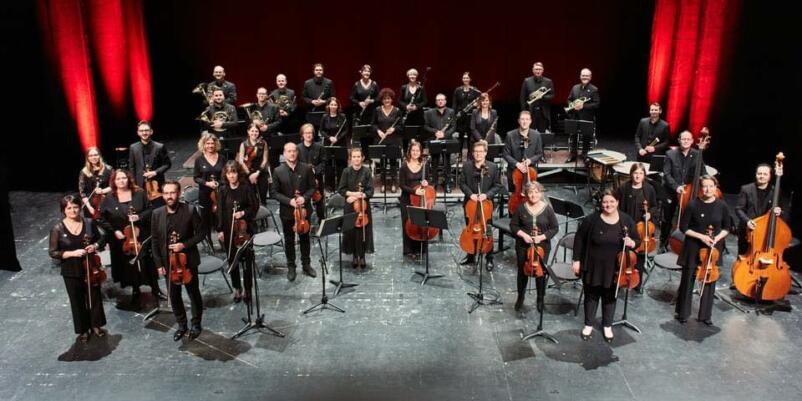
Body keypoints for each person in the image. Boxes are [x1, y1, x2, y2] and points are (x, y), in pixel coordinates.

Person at [572, 188, 640, 343]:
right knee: (591, 295)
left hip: (615, 268)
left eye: (611, 201)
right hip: (593, 265)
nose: (608, 205)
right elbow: (579, 238)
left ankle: (607, 325)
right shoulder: (592, 220)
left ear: (617, 202)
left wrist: (632, 242)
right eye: (605, 202)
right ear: (601, 203)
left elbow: (638, 240)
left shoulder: (626, 220)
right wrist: (576, 260)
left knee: (610, 296)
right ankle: (588, 324)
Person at [97, 169, 161, 309]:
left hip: (141, 235)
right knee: (129, 266)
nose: (121, 181)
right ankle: (136, 290)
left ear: (129, 179)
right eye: (118, 179)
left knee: (147, 262)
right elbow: (101, 219)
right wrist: (115, 231)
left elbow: (150, 209)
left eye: (124, 178)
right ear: (114, 181)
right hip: (122, 240)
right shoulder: (109, 198)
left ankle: (156, 289)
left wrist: (139, 216)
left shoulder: (139, 193)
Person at [151, 180, 205, 341]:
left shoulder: (189, 210)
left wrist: (184, 245)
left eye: (172, 193)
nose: (169, 196)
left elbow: (201, 233)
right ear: (162, 194)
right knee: (174, 296)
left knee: (193, 293)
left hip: (188, 261)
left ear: (179, 193)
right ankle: (182, 325)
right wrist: (159, 264)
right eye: (166, 193)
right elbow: (154, 240)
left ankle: (196, 324)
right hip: (168, 262)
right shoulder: (157, 213)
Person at [49, 195, 107, 343]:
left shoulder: (88, 222)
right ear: (63, 210)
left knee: (94, 297)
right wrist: (71, 253)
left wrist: (94, 246)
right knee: (77, 300)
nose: (73, 210)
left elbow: (102, 238)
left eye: (75, 207)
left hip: (91, 267)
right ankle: (83, 329)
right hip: (71, 270)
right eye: (69, 208)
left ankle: (96, 325)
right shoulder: (57, 228)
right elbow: (53, 252)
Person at [674, 176, 731, 325]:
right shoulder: (692, 204)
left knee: (709, 280)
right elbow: (683, 228)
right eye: (705, 186)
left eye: (711, 186)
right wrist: (701, 237)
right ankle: (683, 314)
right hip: (693, 246)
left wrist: (716, 239)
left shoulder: (722, 206)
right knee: (688, 279)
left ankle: (705, 316)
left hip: (713, 247)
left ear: (715, 187)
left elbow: (726, 228)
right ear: (701, 188)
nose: (708, 189)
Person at [270, 142, 317, 281]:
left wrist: (305, 197)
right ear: (284, 154)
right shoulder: (278, 171)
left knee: (305, 238)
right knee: (289, 239)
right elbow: (274, 192)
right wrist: (289, 201)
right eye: (289, 151)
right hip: (287, 211)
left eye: (294, 151)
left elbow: (312, 187)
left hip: (303, 211)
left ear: (297, 153)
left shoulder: (306, 168)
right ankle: (291, 266)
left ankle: (306, 265)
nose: (292, 153)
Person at [509, 181, 559, 312]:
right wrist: (524, 235)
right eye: (530, 192)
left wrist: (541, 237)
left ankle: (540, 299)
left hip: (542, 247)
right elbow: (513, 226)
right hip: (523, 246)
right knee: (522, 272)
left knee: (540, 273)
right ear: (526, 194)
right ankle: (520, 297)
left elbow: (555, 228)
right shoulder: (521, 208)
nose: (533, 195)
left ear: (541, 193)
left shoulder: (547, 209)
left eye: (536, 192)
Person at [216, 161, 259, 302]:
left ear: (238, 173)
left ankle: (247, 289)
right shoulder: (222, 190)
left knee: (247, 261)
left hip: (245, 230)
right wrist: (220, 229)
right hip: (229, 231)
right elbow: (221, 212)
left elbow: (254, 207)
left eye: (234, 172)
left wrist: (242, 213)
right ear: (226, 175)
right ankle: (237, 288)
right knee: (232, 261)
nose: (231, 176)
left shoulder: (246, 188)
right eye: (229, 173)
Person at [459, 140, 503, 270]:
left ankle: (489, 258)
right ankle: (471, 255)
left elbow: (497, 185)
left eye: (481, 152)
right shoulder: (467, 166)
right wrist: (470, 194)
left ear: (485, 153)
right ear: (472, 153)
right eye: (476, 152)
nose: (478, 154)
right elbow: (462, 183)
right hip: (470, 205)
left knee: (487, 231)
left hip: (486, 205)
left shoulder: (493, 167)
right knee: (470, 228)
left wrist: (487, 195)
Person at [616, 163, 658, 292]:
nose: (638, 176)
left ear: (644, 175)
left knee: (639, 254)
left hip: (641, 227)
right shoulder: (624, 188)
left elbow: (654, 206)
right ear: (631, 174)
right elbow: (618, 207)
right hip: (626, 225)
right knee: (623, 252)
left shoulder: (649, 189)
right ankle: (621, 280)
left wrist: (649, 213)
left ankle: (637, 283)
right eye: (635, 173)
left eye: (640, 173)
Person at [662, 130, 706, 248]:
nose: (685, 141)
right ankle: (663, 243)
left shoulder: (697, 154)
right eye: (683, 139)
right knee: (667, 218)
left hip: (688, 193)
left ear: (692, 141)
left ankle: (684, 245)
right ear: (679, 140)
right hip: (671, 191)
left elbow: (703, 172)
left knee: (687, 217)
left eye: (688, 139)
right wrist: (676, 187)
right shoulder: (670, 154)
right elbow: (666, 174)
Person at [735, 163, 784, 255]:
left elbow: (780, 210)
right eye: (759, 173)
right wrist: (747, 221)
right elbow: (738, 209)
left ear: (770, 176)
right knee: (742, 259)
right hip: (747, 230)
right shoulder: (746, 189)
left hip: (765, 231)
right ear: (756, 174)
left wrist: (779, 211)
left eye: (765, 174)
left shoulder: (775, 191)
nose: (762, 176)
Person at [337, 147, 374, 269]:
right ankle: (354, 255)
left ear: (362, 158)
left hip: (363, 206)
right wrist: (352, 195)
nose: (356, 159)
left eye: (359, 156)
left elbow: (370, 190)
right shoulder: (346, 171)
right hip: (350, 205)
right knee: (351, 231)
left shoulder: (367, 171)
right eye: (354, 157)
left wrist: (360, 195)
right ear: (350, 158)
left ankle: (362, 256)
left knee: (363, 231)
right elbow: (341, 189)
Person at [399, 140, 433, 259]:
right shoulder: (404, 165)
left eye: (417, 150)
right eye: (413, 150)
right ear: (410, 151)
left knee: (420, 222)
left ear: (420, 152)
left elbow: (428, 181)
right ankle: (408, 250)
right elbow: (401, 185)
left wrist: (426, 182)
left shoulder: (424, 165)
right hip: (407, 199)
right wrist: (414, 191)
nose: (415, 152)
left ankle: (420, 249)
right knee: (407, 223)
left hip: (420, 200)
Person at [128, 120, 171, 207]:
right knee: (143, 208)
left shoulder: (159, 147)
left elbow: (167, 164)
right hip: (140, 185)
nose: (144, 133)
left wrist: (155, 172)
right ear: (138, 133)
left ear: (151, 131)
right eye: (141, 131)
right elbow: (132, 167)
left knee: (159, 208)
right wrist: (134, 184)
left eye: (146, 130)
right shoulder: (133, 147)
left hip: (157, 184)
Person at [193, 133, 227, 239]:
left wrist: (219, 183)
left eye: (212, 143)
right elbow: (196, 177)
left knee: (221, 215)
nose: (210, 145)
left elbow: (225, 174)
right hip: (204, 193)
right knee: (206, 218)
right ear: (204, 144)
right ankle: (209, 240)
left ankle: (222, 238)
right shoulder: (199, 160)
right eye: (208, 143)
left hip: (220, 192)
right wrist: (207, 183)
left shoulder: (222, 158)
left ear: (216, 144)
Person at [372, 88, 404, 193]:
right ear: (382, 100)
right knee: (383, 163)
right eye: (385, 99)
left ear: (392, 99)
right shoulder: (377, 110)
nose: (387, 100)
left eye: (389, 98)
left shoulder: (397, 111)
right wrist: (378, 131)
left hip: (394, 140)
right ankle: (383, 183)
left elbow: (401, 126)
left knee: (393, 163)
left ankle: (394, 182)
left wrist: (394, 129)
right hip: (381, 139)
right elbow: (373, 124)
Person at [502, 111, 544, 192]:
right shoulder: (510, 135)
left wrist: (530, 160)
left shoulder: (536, 135)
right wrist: (517, 164)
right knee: (514, 194)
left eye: (527, 119)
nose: (525, 122)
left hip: (531, 171)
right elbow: (506, 154)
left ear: (530, 121)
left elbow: (539, 153)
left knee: (531, 194)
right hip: (513, 171)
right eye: (522, 119)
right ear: (519, 121)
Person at [423, 93, 457, 192]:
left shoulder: (451, 112)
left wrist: (444, 135)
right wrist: (435, 132)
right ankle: (434, 183)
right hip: (434, 140)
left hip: (447, 140)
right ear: (435, 101)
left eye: (442, 100)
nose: (440, 101)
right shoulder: (429, 112)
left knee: (447, 162)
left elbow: (453, 127)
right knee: (434, 162)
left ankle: (447, 183)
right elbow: (425, 126)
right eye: (438, 100)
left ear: (445, 101)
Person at [566, 68, 600, 161]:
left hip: (587, 117)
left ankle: (585, 155)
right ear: (580, 76)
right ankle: (573, 155)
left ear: (590, 77)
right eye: (583, 75)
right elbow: (569, 99)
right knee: (573, 136)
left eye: (587, 75)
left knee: (586, 137)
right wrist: (572, 105)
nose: (585, 77)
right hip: (574, 116)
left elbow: (596, 104)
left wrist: (583, 106)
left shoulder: (594, 89)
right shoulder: (575, 87)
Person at [297, 123, 326, 222]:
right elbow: (296, 163)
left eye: (310, 133)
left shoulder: (319, 147)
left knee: (319, 201)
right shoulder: (298, 148)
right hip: (303, 180)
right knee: (304, 200)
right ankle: (305, 221)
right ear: (302, 135)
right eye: (306, 133)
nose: (308, 135)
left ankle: (321, 220)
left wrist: (315, 170)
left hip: (317, 178)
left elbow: (324, 162)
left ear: (313, 134)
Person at [237, 123, 270, 202]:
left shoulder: (263, 143)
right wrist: (250, 174)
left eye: (256, 131)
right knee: (250, 198)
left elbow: (265, 159)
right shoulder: (243, 144)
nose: (254, 133)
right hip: (248, 172)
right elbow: (241, 161)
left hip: (260, 172)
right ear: (248, 132)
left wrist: (257, 173)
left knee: (262, 197)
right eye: (252, 131)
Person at [519, 62, 555, 133]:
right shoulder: (527, 81)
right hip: (531, 111)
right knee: (529, 133)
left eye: (539, 69)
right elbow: (522, 98)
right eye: (536, 69)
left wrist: (542, 97)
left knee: (542, 133)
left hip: (543, 113)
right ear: (533, 70)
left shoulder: (548, 81)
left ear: (542, 70)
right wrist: (524, 112)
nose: (538, 71)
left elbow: (552, 95)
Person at [78, 147, 112, 219]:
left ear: (99, 155)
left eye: (96, 155)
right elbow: (82, 193)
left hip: (106, 201)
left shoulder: (108, 169)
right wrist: (89, 207)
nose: (93, 157)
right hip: (90, 203)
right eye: (91, 155)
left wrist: (102, 191)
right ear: (87, 157)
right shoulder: (84, 172)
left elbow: (113, 185)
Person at [452, 72, 481, 150]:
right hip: (460, 116)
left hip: (471, 116)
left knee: (470, 136)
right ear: (462, 79)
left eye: (467, 78)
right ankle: (460, 154)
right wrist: (454, 115)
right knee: (460, 136)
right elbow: (454, 104)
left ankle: (470, 155)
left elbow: (480, 102)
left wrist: (477, 105)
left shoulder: (474, 90)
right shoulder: (458, 90)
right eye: (464, 78)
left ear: (470, 79)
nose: (465, 79)